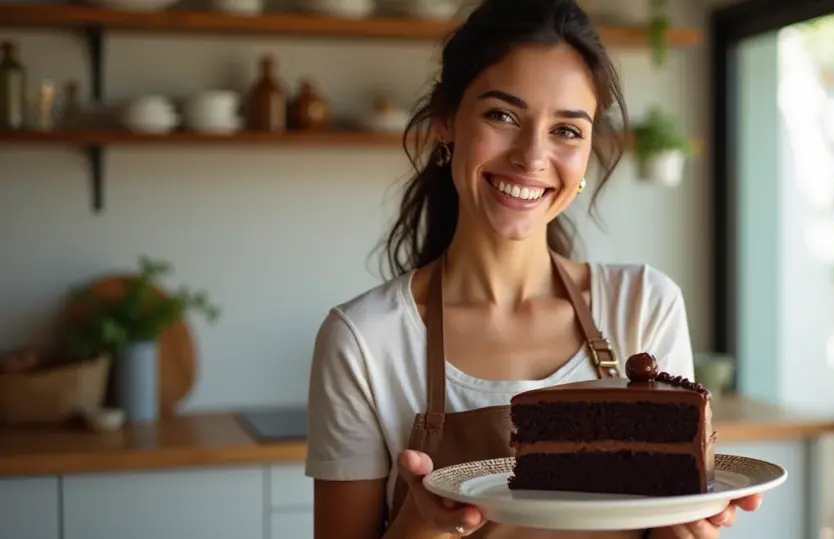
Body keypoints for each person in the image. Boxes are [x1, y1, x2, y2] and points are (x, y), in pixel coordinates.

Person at [305, 0, 763, 537]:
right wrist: (421, 524)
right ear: (446, 120)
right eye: (502, 115)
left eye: (566, 130)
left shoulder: (643, 304)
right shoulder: (363, 341)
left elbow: (669, 520)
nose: (531, 156)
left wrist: (690, 530)